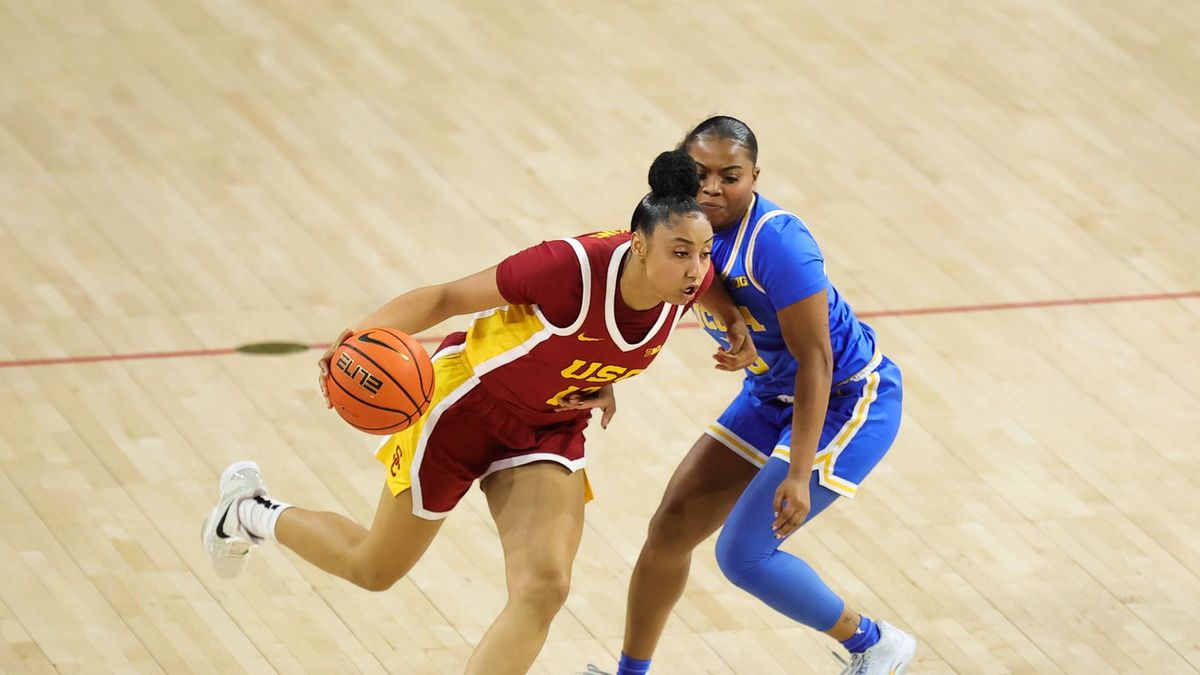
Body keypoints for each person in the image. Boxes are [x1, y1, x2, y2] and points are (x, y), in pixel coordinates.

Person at [200, 149, 757, 675]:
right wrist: (360, 338)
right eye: (680, 252)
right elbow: (445, 298)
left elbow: (708, 293)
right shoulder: (568, 268)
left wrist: (730, 325)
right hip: (464, 410)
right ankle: (250, 512)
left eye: (704, 253)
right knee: (373, 570)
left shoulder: (692, 279)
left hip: (548, 427)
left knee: (545, 586)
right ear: (638, 245)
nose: (695, 268)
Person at [616, 117, 916, 675]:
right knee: (670, 529)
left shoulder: (779, 243)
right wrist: (730, 321)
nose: (711, 188)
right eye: (700, 174)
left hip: (846, 398)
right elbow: (695, 283)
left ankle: (875, 643)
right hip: (770, 392)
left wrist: (799, 473)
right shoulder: (675, 222)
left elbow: (817, 361)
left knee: (743, 555)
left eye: (729, 177)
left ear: (755, 176)